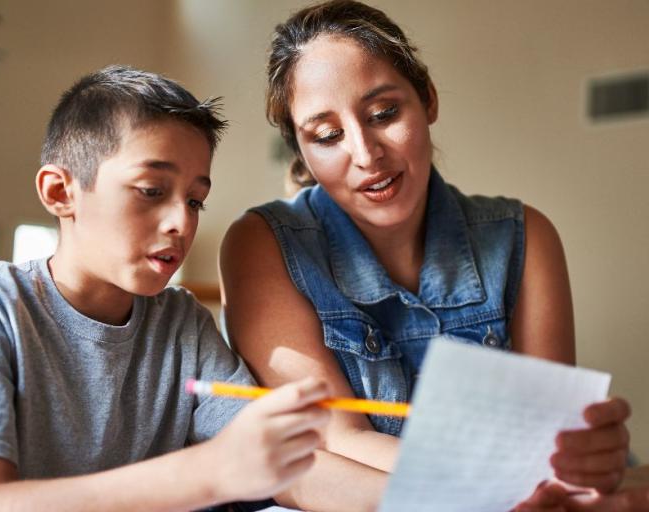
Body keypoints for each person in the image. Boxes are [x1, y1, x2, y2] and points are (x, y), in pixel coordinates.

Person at [219, 2, 638, 511]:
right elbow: (333, 440)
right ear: (302, 151)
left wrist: (582, 462)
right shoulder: (261, 244)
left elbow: (550, 450)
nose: (366, 154)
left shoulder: (526, 237)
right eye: (327, 136)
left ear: (429, 100)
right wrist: (503, 484)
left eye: (383, 114)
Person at [0, 65, 331, 511]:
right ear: (60, 192)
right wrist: (208, 471)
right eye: (152, 190)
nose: (182, 222)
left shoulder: (182, 324)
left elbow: (292, 471)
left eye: (195, 200)